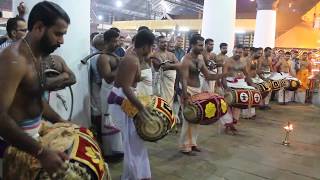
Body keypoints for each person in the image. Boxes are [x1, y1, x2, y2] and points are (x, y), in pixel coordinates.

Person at [0, 1, 71, 179]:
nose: (61, 41)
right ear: (39, 27)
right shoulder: (13, 59)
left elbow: (36, 99)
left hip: (34, 139)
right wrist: (41, 152)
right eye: (58, 34)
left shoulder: (38, 56)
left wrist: (62, 122)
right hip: (13, 146)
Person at [108, 30, 155, 180]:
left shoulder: (135, 57)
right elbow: (126, 88)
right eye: (152, 46)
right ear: (146, 46)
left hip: (125, 98)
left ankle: (135, 175)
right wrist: (141, 109)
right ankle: (135, 176)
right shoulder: (132, 59)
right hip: (122, 99)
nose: (152, 50)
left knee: (135, 142)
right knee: (133, 142)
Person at [179, 34, 223, 155]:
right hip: (187, 90)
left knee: (197, 118)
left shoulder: (199, 58)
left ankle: (193, 143)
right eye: (199, 45)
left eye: (202, 45)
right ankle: (185, 146)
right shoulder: (186, 59)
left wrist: (222, 75)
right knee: (188, 118)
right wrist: (185, 95)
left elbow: (208, 75)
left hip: (197, 89)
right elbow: (183, 79)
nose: (201, 47)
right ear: (192, 45)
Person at [97, 29, 124, 160]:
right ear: (107, 41)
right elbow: (107, 77)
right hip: (108, 92)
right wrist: (121, 67)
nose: (117, 43)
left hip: (116, 92)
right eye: (115, 41)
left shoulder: (114, 55)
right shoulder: (103, 57)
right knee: (108, 120)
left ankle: (118, 150)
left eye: (118, 40)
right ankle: (109, 152)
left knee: (117, 119)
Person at [222, 46, 255, 129]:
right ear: (233, 51)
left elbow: (246, 74)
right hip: (230, 83)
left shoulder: (243, 62)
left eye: (240, 52)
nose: (237, 54)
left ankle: (234, 122)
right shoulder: (227, 61)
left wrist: (252, 84)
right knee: (228, 104)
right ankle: (228, 123)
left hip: (241, 83)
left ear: (242, 52)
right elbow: (223, 76)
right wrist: (226, 87)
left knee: (239, 103)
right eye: (236, 52)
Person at [152, 35, 179, 106]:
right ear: (157, 43)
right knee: (161, 104)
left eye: (166, 42)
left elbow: (179, 65)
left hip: (170, 85)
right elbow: (162, 66)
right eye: (162, 42)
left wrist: (169, 65)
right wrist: (173, 65)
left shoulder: (171, 54)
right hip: (160, 84)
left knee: (169, 104)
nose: (165, 44)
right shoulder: (154, 54)